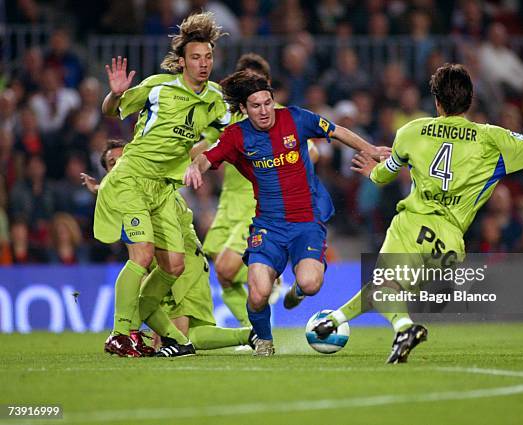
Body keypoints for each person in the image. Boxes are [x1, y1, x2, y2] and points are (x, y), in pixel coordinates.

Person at [312, 63, 523, 364]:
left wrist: (372, 173)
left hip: (413, 222)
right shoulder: (491, 139)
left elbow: (385, 174)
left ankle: (401, 328)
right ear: (470, 101)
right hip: (450, 243)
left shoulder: (411, 131)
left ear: (436, 101)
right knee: (388, 287)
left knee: (386, 288)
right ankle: (335, 320)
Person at [184, 71, 389, 356]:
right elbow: (208, 157)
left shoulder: (296, 118)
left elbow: (337, 131)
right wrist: (195, 167)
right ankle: (264, 341)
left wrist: (371, 149)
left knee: (310, 283)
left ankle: (299, 292)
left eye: (268, 103)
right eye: (256, 106)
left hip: (306, 223)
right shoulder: (236, 135)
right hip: (268, 226)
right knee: (257, 293)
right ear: (244, 109)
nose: (265, 110)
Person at [95, 12, 231, 357]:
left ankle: (155, 330)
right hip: (131, 178)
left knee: (174, 265)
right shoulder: (158, 87)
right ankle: (120, 333)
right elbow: (111, 111)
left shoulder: (216, 98)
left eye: (208, 57)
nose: (203, 64)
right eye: (196, 58)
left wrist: (197, 158)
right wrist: (114, 95)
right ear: (182, 62)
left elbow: (225, 135)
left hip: (163, 191)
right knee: (141, 255)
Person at [82, 140, 258, 356]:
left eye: (123, 157)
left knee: (175, 337)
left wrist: (213, 136)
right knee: (188, 336)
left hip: (183, 261)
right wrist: (101, 188)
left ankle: (125, 334)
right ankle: (251, 335)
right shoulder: (125, 195)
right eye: (112, 162)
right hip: (169, 264)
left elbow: (190, 154)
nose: (119, 163)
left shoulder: (154, 182)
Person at [200, 53, 319, 331]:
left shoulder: (275, 115)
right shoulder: (229, 117)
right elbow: (207, 148)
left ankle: (271, 273)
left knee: (229, 267)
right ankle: (252, 329)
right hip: (227, 204)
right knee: (224, 274)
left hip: (258, 205)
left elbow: (311, 151)